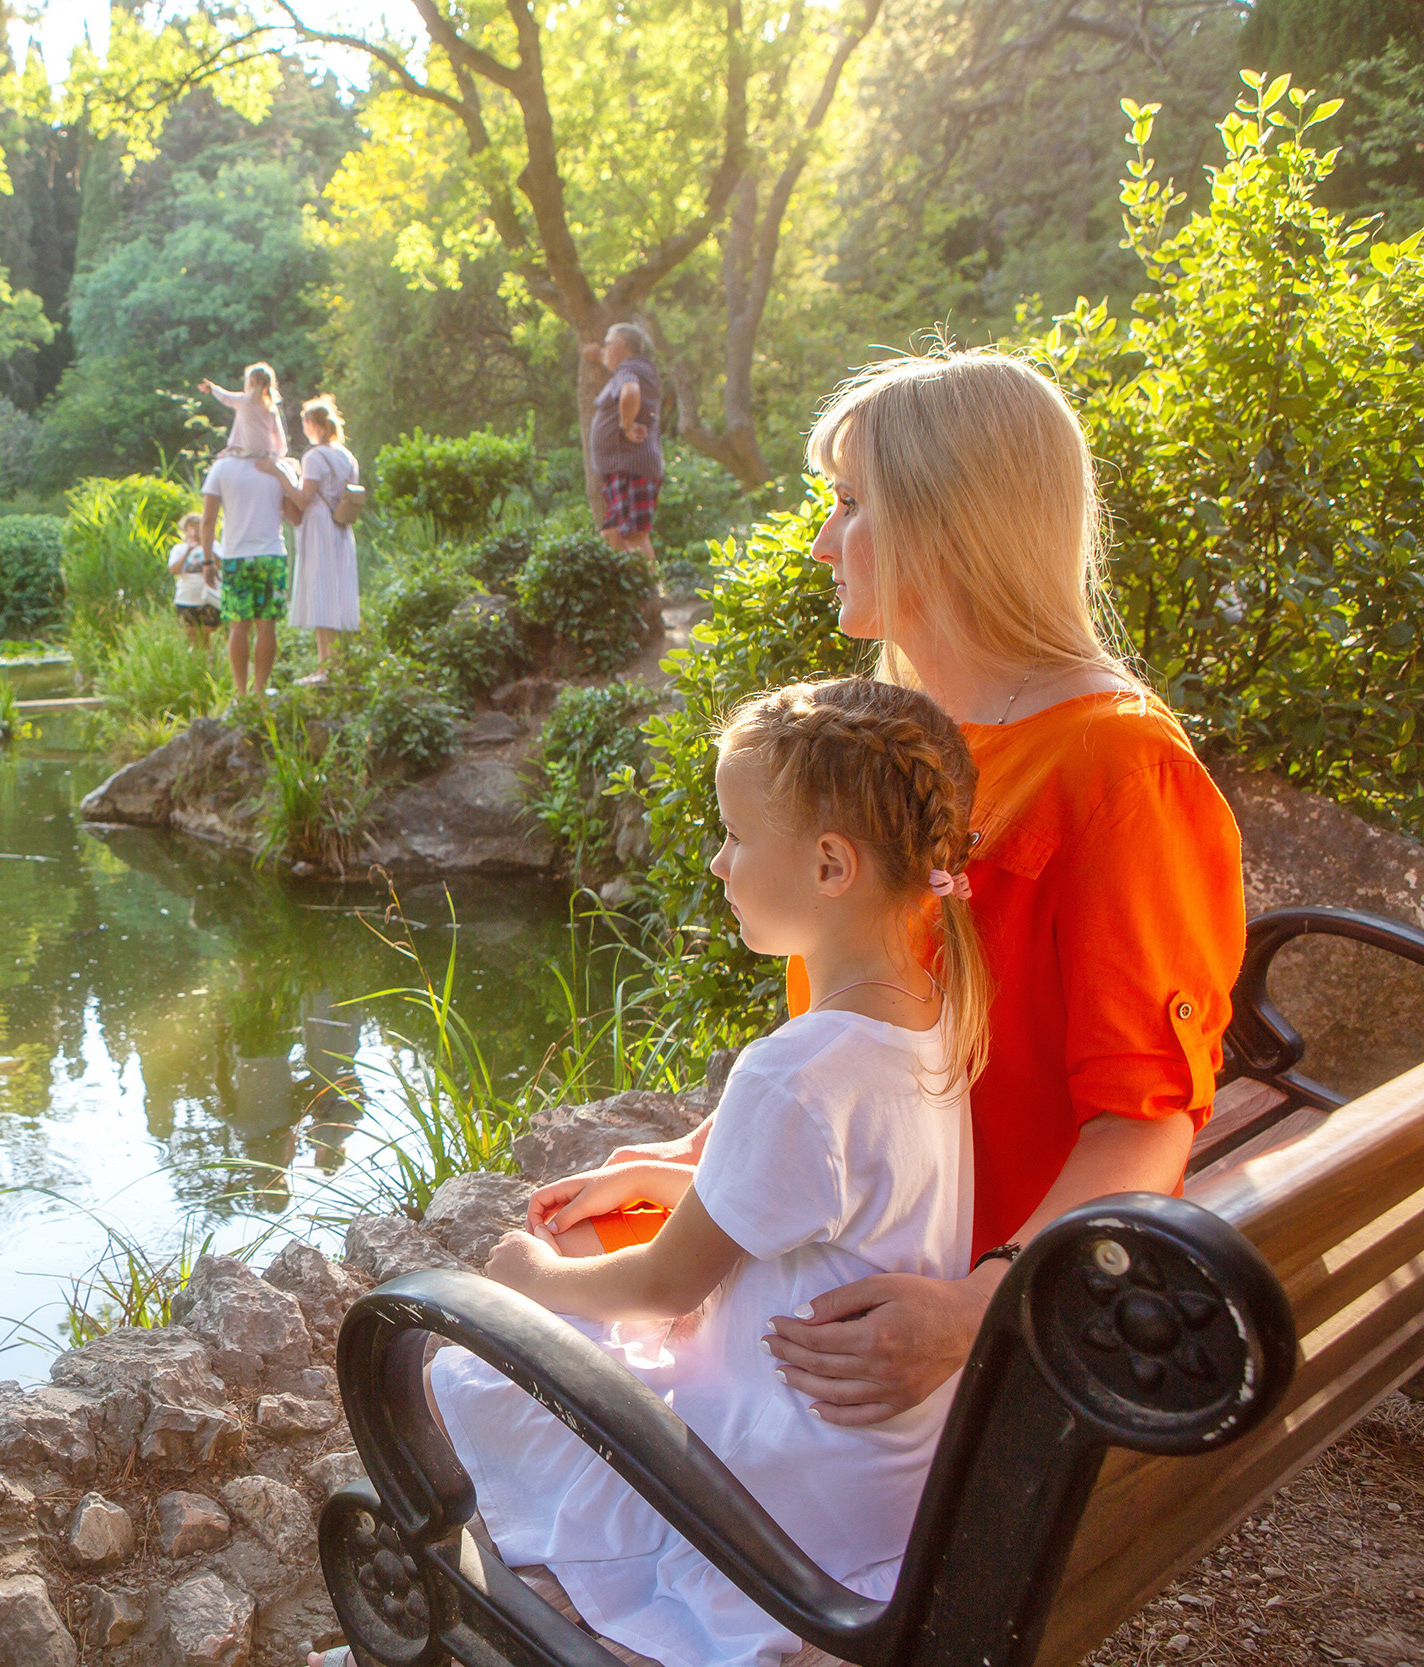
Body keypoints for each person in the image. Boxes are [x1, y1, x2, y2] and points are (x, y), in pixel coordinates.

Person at [584, 349, 1244, 1430]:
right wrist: (702, 1158)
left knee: (507, 1332)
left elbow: (1141, 1119)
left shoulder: (1117, 769)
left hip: (924, 1316)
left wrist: (973, 1309)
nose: (819, 540)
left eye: (849, 504)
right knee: (579, 1242)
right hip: (861, 1247)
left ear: (950, 520)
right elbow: (870, 1045)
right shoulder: (919, 736)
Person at [363, 676, 985, 1667]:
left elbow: (664, 1282)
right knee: (581, 1298)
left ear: (830, 863)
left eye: (735, 835)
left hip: (788, 1479)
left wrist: (527, 1279)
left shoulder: (798, 1068)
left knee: (487, 1352)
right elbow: (797, 1197)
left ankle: (532, 1598)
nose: (717, 859)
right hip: (881, 1467)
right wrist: (664, 1172)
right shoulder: (927, 1013)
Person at [265, 395, 360, 668]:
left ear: (310, 423)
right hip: (341, 526)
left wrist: (280, 474)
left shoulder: (315, 456)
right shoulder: (347, 456)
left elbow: (304, 499)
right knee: (338, 591)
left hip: (319, 525)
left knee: (321, 591)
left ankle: (325, 665)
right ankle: (337, 664)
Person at [199, 447, 291, 699]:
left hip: (235, 556)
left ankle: (241, 694)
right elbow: (294, 513)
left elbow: (208, 519)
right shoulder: (277, 466)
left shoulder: (222, 467)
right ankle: (260, 692)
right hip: (271, 554)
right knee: (266, 627)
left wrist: (207, 561)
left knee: (238, 628)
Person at [589, 323, 665, 561]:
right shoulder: (638, 367)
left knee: (634, 535)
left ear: (621, 346)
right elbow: (604, 357)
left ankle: (653, 594)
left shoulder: (628, 369)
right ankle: (626, 593)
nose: (605, 350)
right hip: (621, 467)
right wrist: (593, 353)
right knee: (612, 534)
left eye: (607, 344)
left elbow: (630, 392)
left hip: (631, 466)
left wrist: (626, 425)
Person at [199, 362, 287, 461]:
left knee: (221, 458)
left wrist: (212, 388)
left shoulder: (243, 400)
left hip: (246, 449)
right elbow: (278, 433)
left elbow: (225, 397)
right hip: (266, 451)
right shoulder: (271, 407)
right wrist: (280, 454)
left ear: (250, 382)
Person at [166, 511, 222, 650]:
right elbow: (174, 570)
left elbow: (222, 565)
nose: (195, 530)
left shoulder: (215, 546)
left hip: (210, 599)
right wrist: (188, 551)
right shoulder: (179, 549)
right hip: (186, 600)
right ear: (185, 530)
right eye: (191, 527)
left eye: (198, 526)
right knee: (191, 639)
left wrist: (206, 544)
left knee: (209, 638)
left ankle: (210, 666)